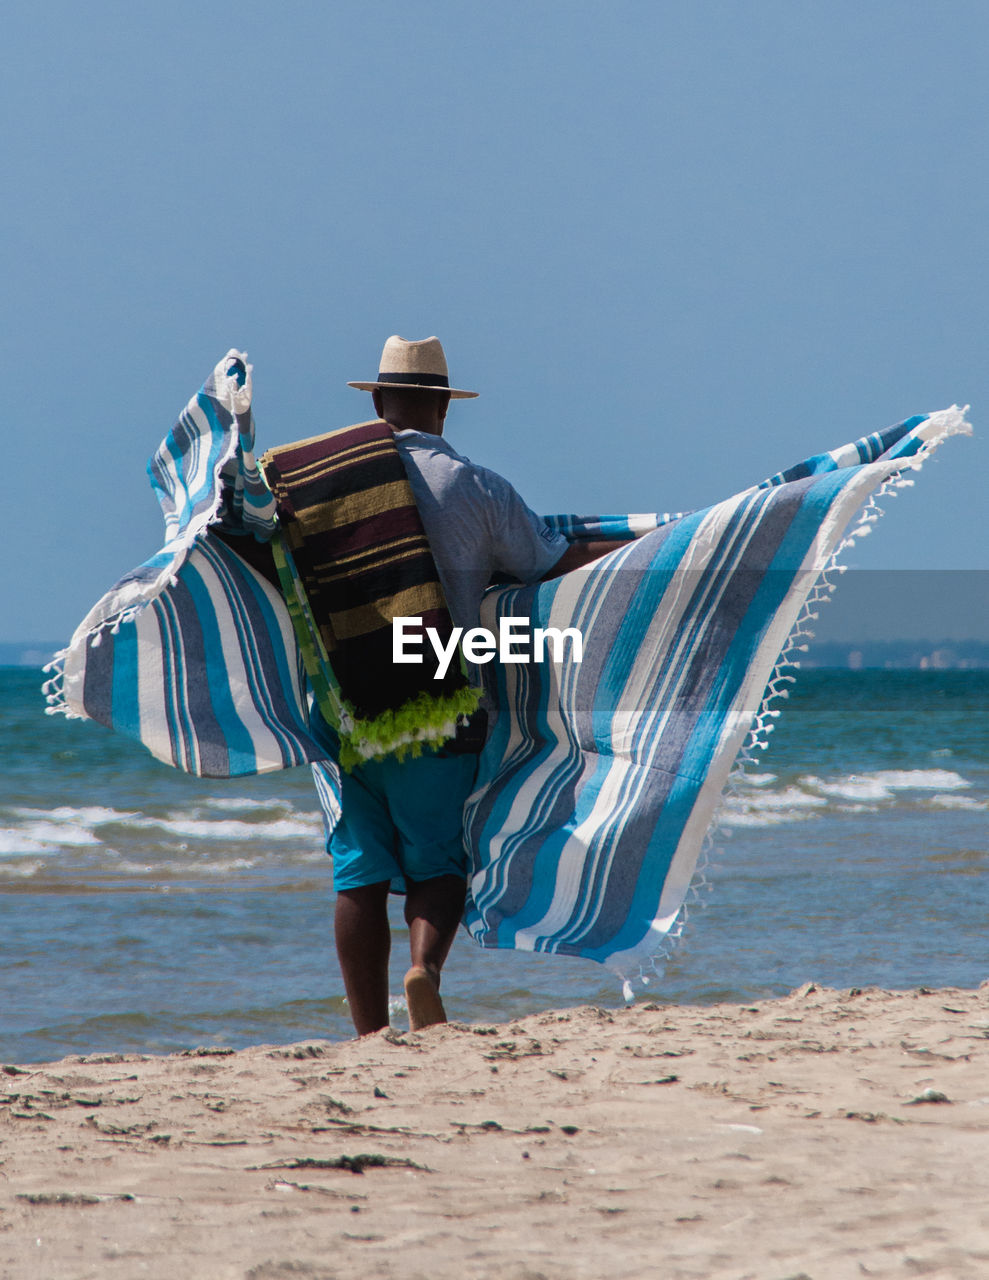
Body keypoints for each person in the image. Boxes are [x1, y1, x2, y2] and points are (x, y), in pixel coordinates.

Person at [316, 335, 621, 1036]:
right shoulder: (476, 488)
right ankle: (423, 970)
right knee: (438, 861)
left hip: (343, 701)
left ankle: (367, 1033)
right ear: (443, 409)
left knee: (357, 868)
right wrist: (646, 546)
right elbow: (545, 563)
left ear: (380, 402)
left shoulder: (330, 486)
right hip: (434, 696)